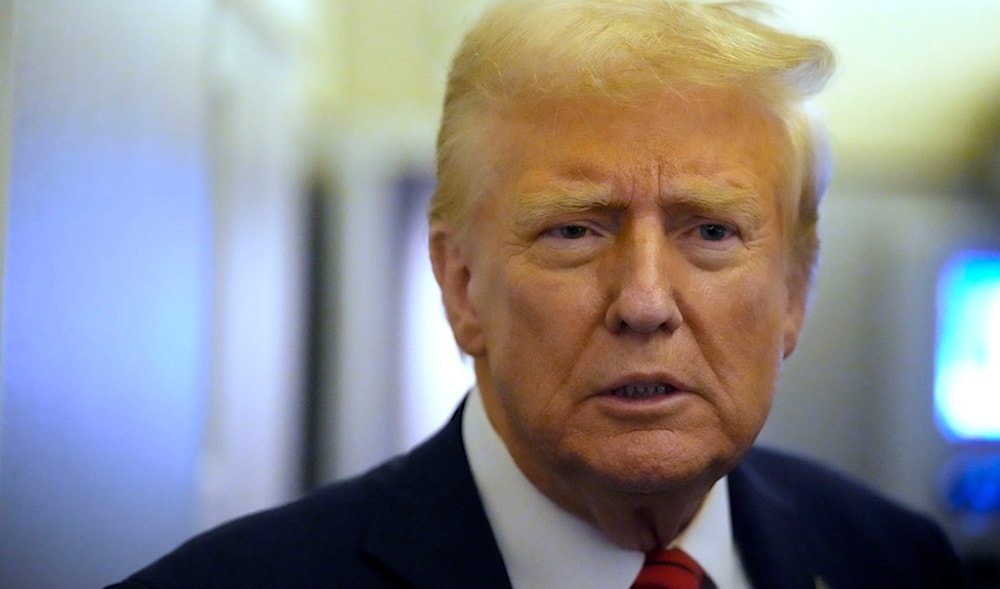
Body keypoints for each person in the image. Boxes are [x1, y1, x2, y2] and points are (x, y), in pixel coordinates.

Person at [107, 1, 969, 587]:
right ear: (461, 285)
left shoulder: (895, 560)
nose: (644, 301)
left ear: (793, 292)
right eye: (574, 230)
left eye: (709, 231)